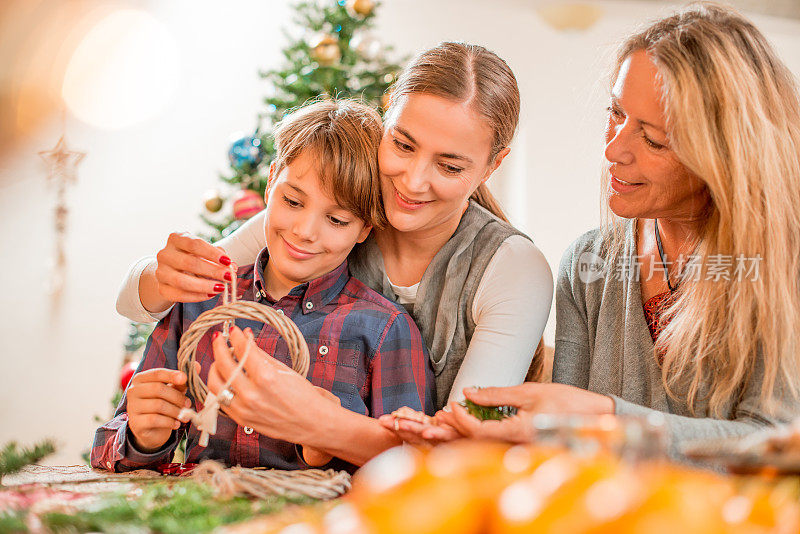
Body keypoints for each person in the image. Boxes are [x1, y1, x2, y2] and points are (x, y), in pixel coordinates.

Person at [114, 42, 554, 443]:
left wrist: (322, 426)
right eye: (402, 144)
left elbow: (464, 450)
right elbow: (136, 302)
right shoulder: (328, 218)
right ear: (386, 122)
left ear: (493, 165)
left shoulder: (513, 267)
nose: (414, 181)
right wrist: (161, 274)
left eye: (450, 167)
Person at [430, 3, 800, 454]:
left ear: (725, 156)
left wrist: (606, 418)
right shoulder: (590, 265)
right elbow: (566, 453)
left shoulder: (782, 268)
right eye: (616, 112)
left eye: (653, 138)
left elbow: (780, 445)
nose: (613, 149)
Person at [92, 99, 433, 473]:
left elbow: (416, 472)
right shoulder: (200, 302)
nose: (304, 232)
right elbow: (110, 444)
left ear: (365, 229)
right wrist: (143, 437)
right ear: (271, 181)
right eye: (292, 201)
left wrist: (325, 441)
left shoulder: (385, 331)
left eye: (336, 220)